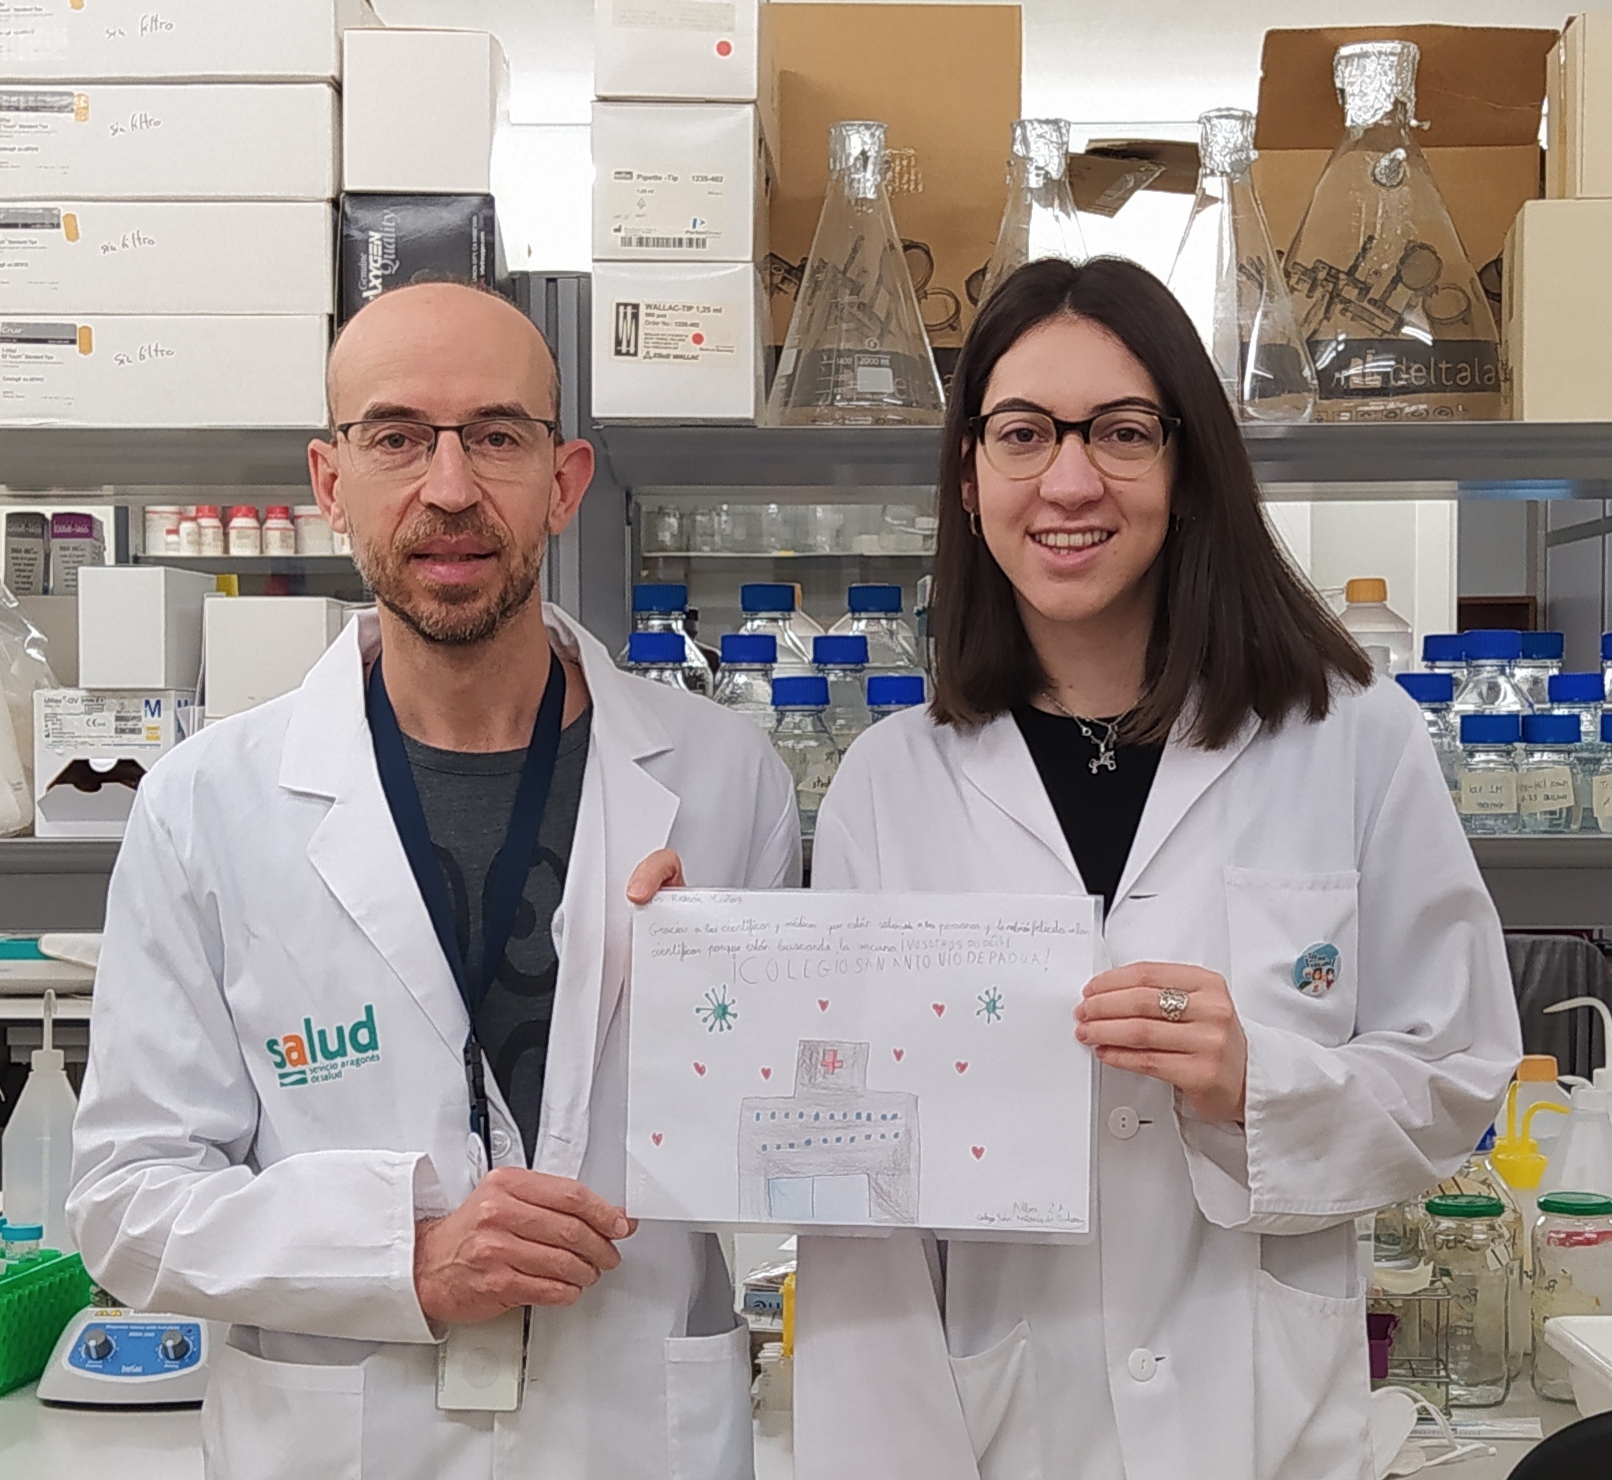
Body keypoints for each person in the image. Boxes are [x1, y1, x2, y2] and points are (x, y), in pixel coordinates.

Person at [791, 258, 1523, 1480]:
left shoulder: (1352, 737)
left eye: (1122, 431)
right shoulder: (889, 783)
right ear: (968, 477)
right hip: (997, 1425)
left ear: (1185, 470)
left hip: (1263, 1422)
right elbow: (862, 1186)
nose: (1069, 479)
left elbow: (1455, 1073)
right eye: (1022, 433)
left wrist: (1257, 1084)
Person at [68, 282, 799, 1480]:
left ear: (563, 481)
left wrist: (720, 1001)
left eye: (497, 436)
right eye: (397, 437)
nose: (449, 486)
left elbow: (782, 1146)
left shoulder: (725, 780)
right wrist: (396, 1257)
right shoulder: (205, 804)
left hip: (630, 1425)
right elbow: (127, 1199)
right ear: (330, 479)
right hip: (343, 1438)